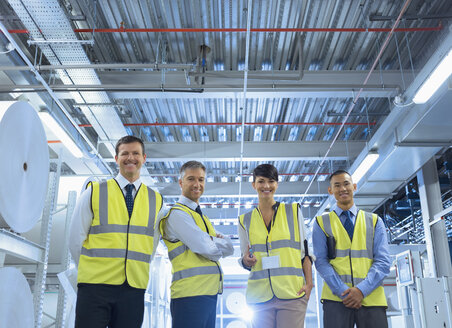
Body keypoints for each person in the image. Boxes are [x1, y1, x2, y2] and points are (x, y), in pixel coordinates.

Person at [69, 135, 164, 328]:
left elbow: (151, 245)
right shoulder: (94, 192)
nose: (131, 158)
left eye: (136, 153)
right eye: (125, 153)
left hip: (133, 287)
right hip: (95, 286)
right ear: (116, 158)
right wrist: (92, 271)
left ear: (144, 158)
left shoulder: (156, 200)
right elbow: (75, 239)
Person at [159, 160, 234, 328]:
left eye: (201, 179)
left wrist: (211, 241)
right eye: (191, 179)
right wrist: (214, 241)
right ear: (181, 182)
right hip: (189, 296)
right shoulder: (177, 214)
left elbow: (229, 248)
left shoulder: (202, 218)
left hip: (208, 294)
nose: (197, 184)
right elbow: (208, 249)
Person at [312, 169, 391, 328]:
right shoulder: (321, 222)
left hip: (371, 298)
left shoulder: (375, 221)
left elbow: (383, 261)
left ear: (354, 186)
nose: (342, 189)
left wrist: (361, 290)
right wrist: (344, 291)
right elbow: (321, 262)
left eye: (346, 184)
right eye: (337, 185)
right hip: (337, 300)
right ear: (330, 190)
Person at [238, 164, 314, 328]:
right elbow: (244, 256)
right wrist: (245, 261)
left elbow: (305, 253)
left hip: (291, 293)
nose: (266, 186)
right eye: (261, 181)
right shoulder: (245, 219)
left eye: (271, 181)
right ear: (254, 185)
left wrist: (309, 284)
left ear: (277, 184)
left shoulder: (293, 211)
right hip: (259, 297)